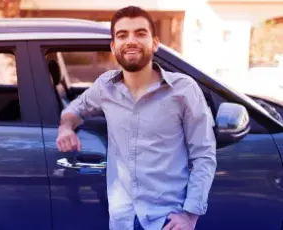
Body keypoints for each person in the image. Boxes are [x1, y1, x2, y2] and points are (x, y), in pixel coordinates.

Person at [56, 5, 217, 230]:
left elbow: (204, 155)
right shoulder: (105, 86)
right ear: (114, 46)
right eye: (122, 35)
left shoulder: (184, 90)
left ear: (155, 43)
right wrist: (66, 128)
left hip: (167, 220)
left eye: (140, 33)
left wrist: (190, 216)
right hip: (122, 219)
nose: (131, 41)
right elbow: (75, 110)